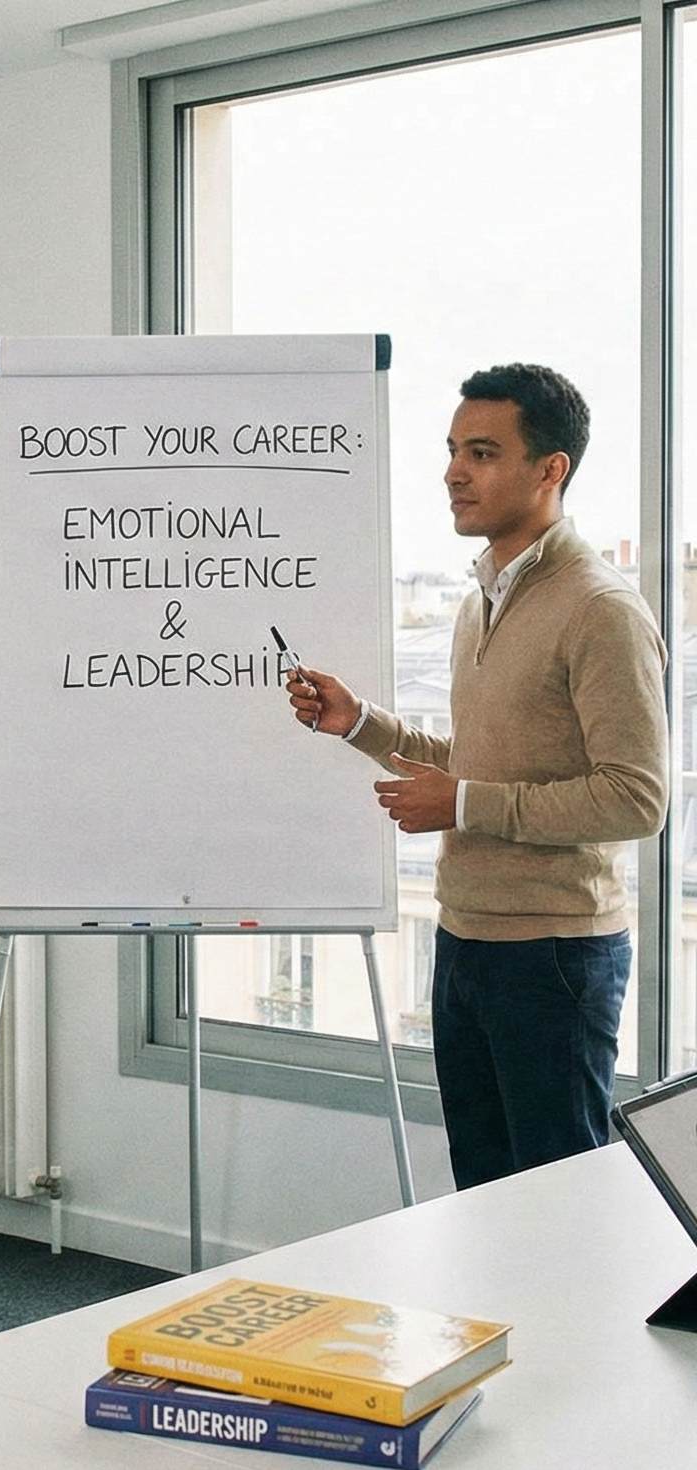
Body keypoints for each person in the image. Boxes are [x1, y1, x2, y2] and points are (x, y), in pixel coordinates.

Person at [287, 363, 667, 1191]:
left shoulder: (600, 607)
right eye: (455, 449)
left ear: (550, 469)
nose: (455, 472)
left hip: (556, 956)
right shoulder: (481, 600)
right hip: (466, 943)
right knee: (486, 1203)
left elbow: (637, 797)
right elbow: (482, 761)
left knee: (558, 1208)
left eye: (484, 452)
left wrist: (459, 803)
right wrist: (357, 722)